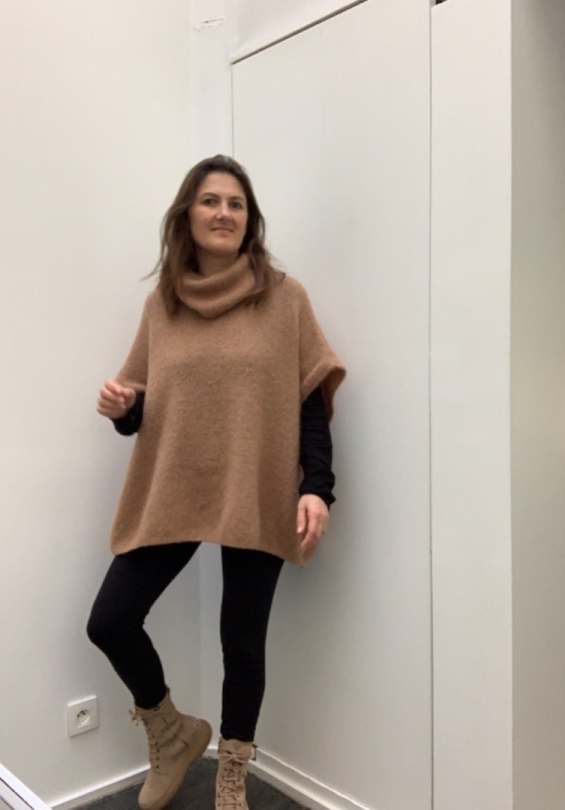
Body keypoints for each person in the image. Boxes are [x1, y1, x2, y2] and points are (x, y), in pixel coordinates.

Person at [86, 155, 345, 810]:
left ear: (249, 219)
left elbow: (309, 403)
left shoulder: (285, 299)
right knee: (111, 621)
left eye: (236, 203)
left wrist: (316, 486)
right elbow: (149, 407)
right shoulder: (162, 305)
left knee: (242, 640)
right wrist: (125, 409)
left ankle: (232, 771)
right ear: (187, 214)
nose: (224, 213)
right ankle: (171, 733)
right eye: (210, 201)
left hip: (257, 485)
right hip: (176, 482)